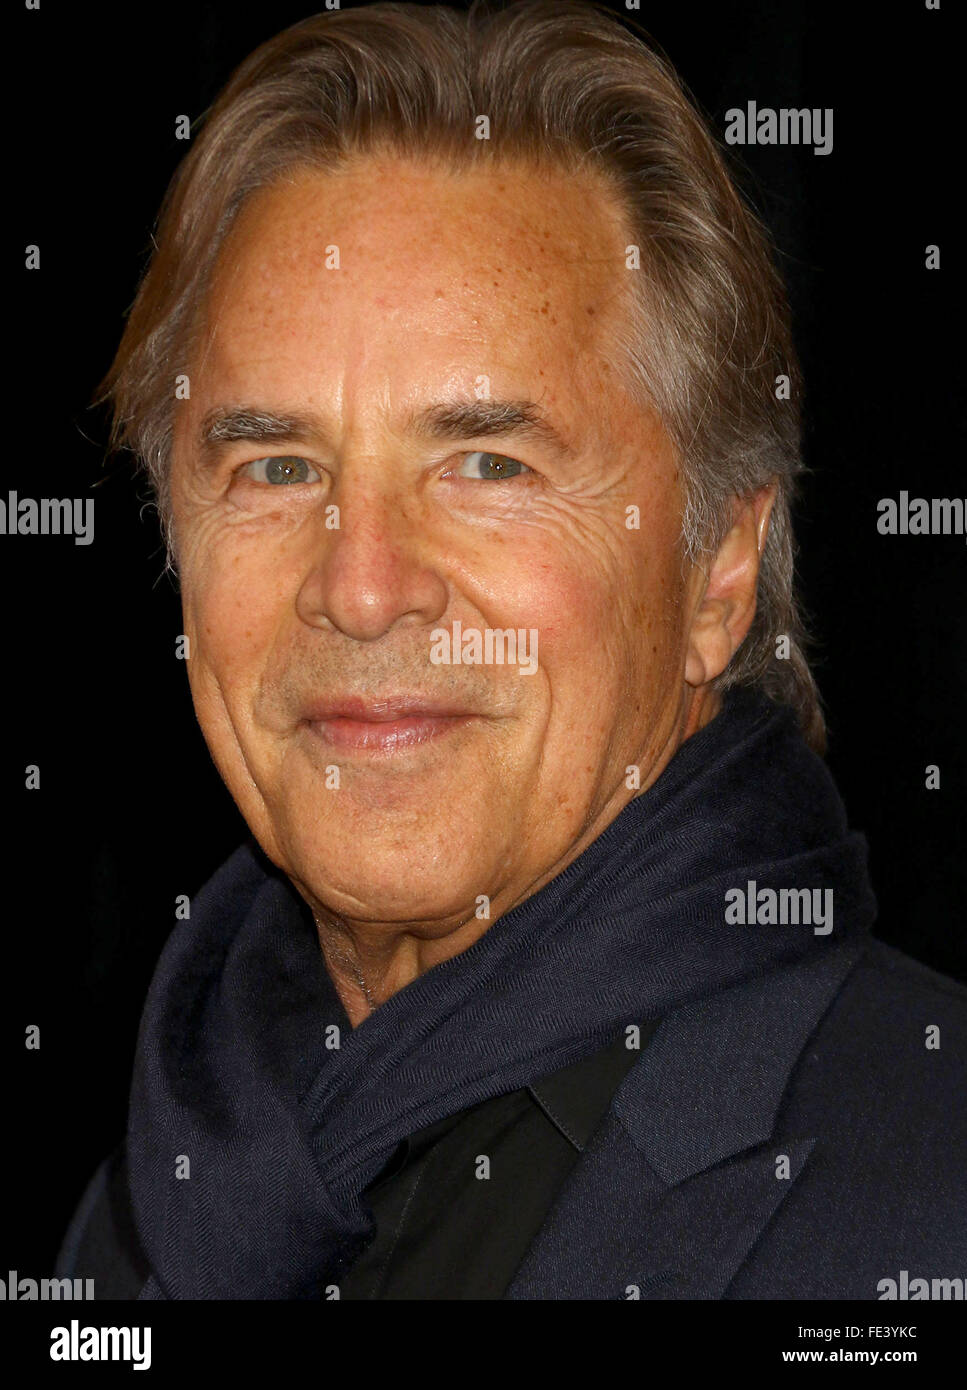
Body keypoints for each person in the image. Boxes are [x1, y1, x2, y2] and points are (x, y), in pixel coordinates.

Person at [57, 0, 966, 1300]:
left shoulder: (936, 1190)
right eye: (273, 464)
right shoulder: (145, 1211)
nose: (362, 587)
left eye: (488, 462)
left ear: (717, 574)